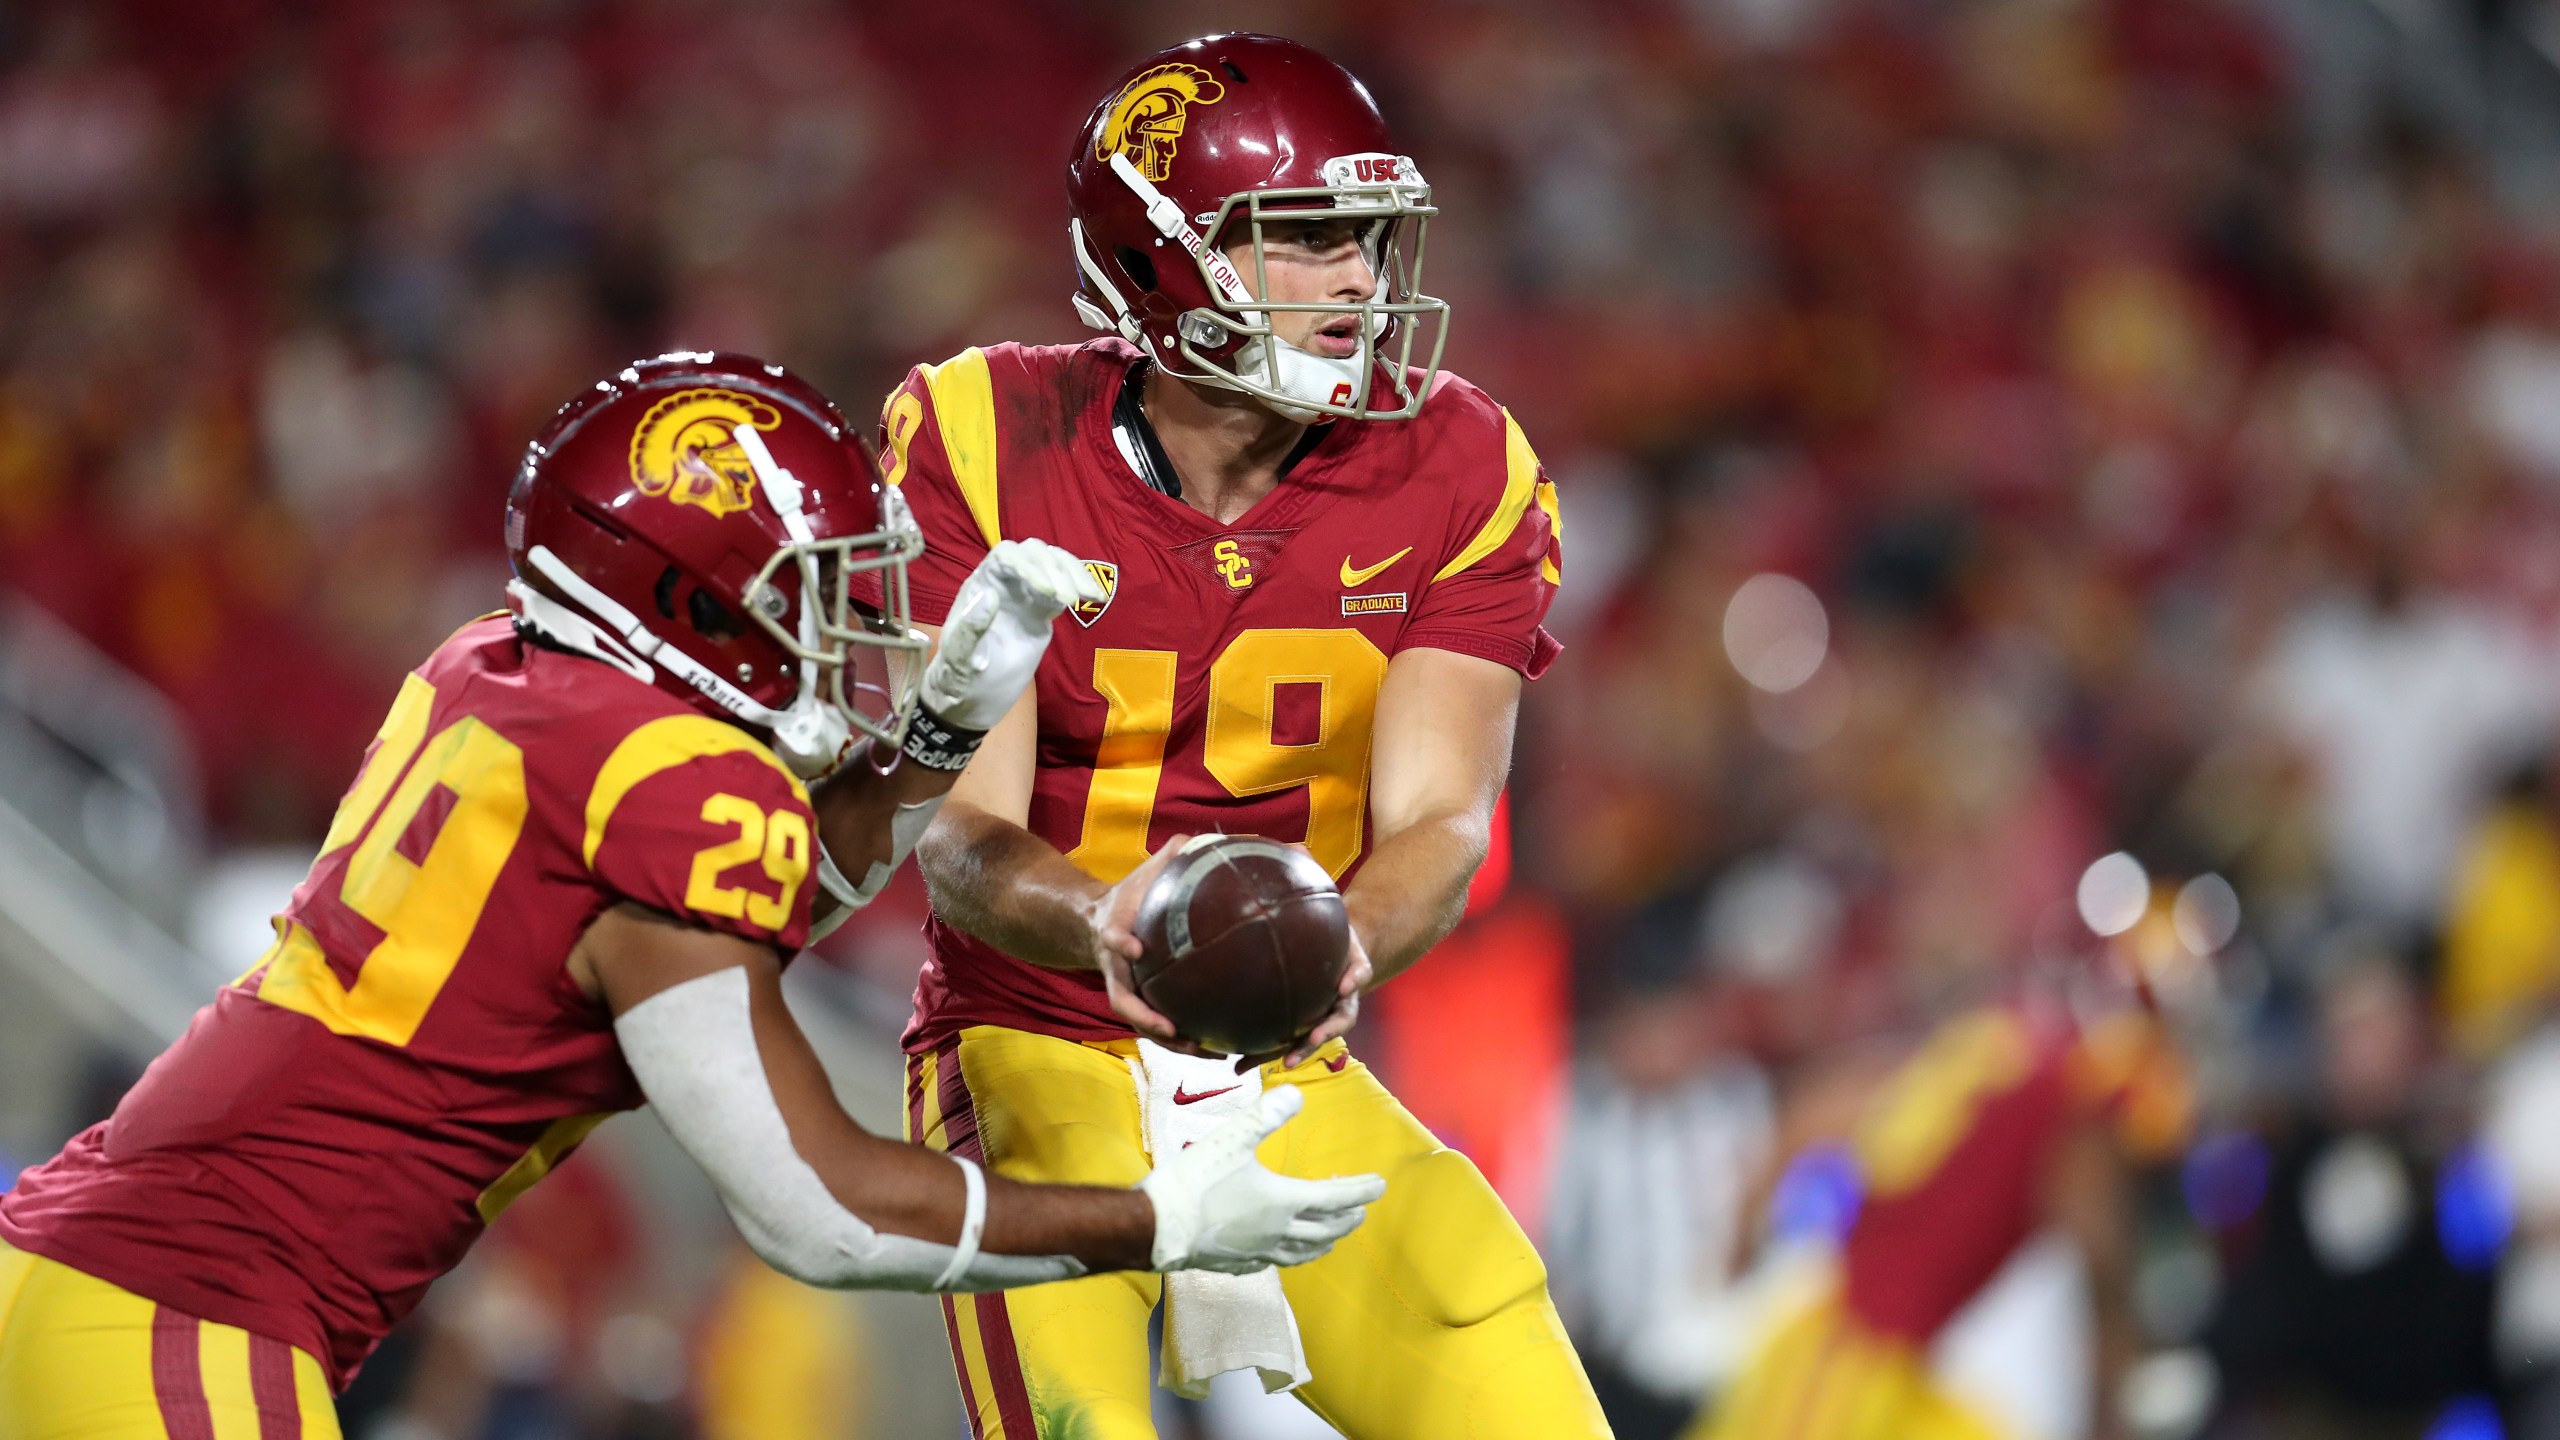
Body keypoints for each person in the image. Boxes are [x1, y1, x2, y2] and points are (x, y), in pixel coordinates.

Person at [0, 353, 1382, 1438]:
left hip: (94, 1267)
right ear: (683, 592)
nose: (838, 628)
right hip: (183, 1308)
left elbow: (741, 920)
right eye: (807, 590)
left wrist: (943, 734)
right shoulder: (670, 792)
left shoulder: (503, 669)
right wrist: (1163, 1222)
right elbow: (821, 1212)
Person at [881, 34, 1605, 1438]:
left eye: (1373, 239)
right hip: (1028, 1042)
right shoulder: (987, 433)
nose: (1362, 282)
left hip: (1281, 1066)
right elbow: (959, 834)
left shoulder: (1461, 466)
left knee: (1506, 1356)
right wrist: (1112, 923)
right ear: (1163, 260)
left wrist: (1336, 949)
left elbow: (1444, 823)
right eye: (1308, 237)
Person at [1692, 976, 2193, 1440]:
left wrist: (1738, 1242)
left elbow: (1823, 1113)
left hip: (1841, 1355)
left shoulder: (1998, 1044)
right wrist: (2114, 1393)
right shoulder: (2077, 1101)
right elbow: (2101, 1258)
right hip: (1857, 1371)